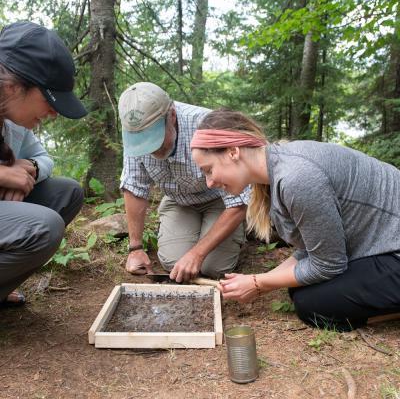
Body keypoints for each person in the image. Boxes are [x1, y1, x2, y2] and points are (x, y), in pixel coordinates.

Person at [190, 108, 400, 332]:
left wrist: (257, 283)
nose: (209, 182)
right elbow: (316, 248)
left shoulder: (297, 179)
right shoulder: (277, 167)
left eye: (208, 170)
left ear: (233, 152)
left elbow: (328, 265)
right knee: (298, 288)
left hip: (394, 250)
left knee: (313, 304)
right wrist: (261, 280)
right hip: (382, 244)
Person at [118, 82, 248, 282]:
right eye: (142, 142)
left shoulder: (206, 126)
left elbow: (238, 200)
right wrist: (135, 248)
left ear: (171, 115)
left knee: (213, 267)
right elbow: (134, 186)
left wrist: (197, 254)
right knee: (174, 264)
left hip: (221, 201)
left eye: (155, 138)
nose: (151, 149)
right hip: (178, 202)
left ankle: (244, 228)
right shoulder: (135, 132)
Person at [0, 21, 87, 307]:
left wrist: (30, 172)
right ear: (13, 87)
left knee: (67, 191)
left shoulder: (16, 124)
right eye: (50, 101)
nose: (54, 113)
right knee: (44, 226)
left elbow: (44, 159)